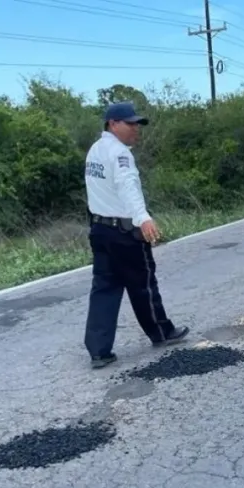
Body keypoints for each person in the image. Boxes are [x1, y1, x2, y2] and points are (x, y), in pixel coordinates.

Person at [82, 101, 189, 369]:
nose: (135, 129)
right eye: (130, 123)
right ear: (113, 124)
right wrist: (143, 218)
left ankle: (99, 351)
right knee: (143, 283)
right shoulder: (120, 154)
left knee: (104, 288)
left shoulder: (95, 150)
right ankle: (162, 332)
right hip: (123, 232)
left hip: (99, 229)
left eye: (137, 124)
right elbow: (127, 186)